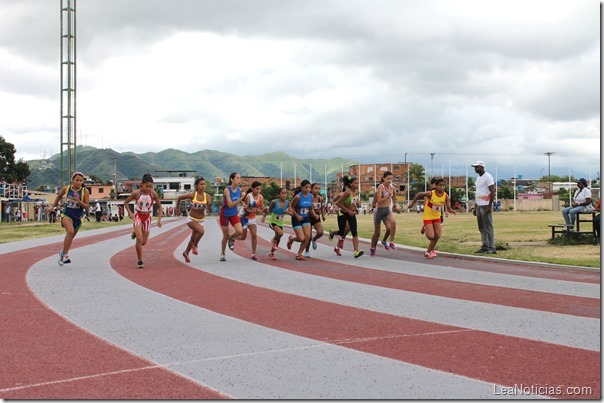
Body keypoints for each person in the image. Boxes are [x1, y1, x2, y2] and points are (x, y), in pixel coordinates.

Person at [48, 171, 90, 266]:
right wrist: (53, 206)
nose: (78, 182)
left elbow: (87, 207)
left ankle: (63, 253)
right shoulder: (66, 189)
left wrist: (78, 201)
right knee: (70, 232)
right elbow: (59, 196)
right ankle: (66, 255)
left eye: (80, 180)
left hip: (78, 218)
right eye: (76, 180)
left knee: (70, 237)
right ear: (72, 180)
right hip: (67, 215)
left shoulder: (84, 191)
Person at [408, 178, 456, 258]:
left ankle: (427, 252)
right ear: (436, 186)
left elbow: (448, 208)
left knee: (438, 235)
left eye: (443, 185)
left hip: (437, 217)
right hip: (428, 216)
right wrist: (412, 203)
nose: (442, 187)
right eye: (440, 185)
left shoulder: (445, 196)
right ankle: (427, 228)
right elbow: (419, 194)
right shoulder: (431, 193)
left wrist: (452, 211)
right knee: (431, 236)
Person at [123, 174, 163, 269]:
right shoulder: (136, 193)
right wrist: (130, 213)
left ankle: (136, 232)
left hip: (147, 218)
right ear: (142, 184)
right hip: (138, 216)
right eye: (147, 186)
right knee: (139, 239)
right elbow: (126, 202)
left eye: (150, 187)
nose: (148, 188)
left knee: (144, 242)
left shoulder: (153, 194)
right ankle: (140, 260)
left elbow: (160, 206)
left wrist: (159, 220)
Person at [176, 177, 212, 263]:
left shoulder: (207, 196)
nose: (203, 186)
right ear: (197, 186)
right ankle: (195, 246)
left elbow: (210, 211)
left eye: (204, 184)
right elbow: (179, 197)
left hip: (201, 220)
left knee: (192, 239)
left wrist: (209, 205)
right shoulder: (193, 195)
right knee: (201, 232)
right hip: (191, 219)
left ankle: (186, 253)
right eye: (201, 184)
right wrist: (177, 209)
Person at [332, 176, 364, 258]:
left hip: (351, 215)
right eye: (355, 183)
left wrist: (356, 208)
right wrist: (348, 211)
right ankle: (332, 233)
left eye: (358, 183)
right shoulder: (347, 192)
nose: (357, 185)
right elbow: (339, 203)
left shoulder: (356, 192)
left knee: (354, 232)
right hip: (342, 214)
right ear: (350, 184)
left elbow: (353, 203)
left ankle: (356, 251)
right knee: (341, 232)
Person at [286, 180, 318, 260]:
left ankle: (299, 254)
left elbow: (310, 208)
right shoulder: (298, 197)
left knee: (308, 236)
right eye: (306, 187)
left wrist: (314, 215)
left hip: (305, 217)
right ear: (302, 188)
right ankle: (292, 238)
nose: (308, 189)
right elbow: (291, 207)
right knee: (301, 238)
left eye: (309, 187)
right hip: (296, 218)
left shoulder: (310, 196)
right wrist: (297, 216)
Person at [369, 171, 398, 256]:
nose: (389, 180)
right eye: (388, 178)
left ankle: (390, 241)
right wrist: (387, 196)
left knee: (392, 225)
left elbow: (394, 195)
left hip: (386, 210)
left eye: (391, 179)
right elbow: (378, 201)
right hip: (379, 211)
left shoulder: (392, 187)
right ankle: (372, 247)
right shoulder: (380, 188)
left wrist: (394, 205)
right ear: (384, 178)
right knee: (377, 233)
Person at [471, 160, 496, 254]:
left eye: (477, 167)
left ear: (481, 167)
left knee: (488, 226)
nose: (475, 169)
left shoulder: (488, 177)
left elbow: (492, 191)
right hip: (479, 205)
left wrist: (489, 205)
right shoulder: (478, 179)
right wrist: (475, 206)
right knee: (481, 227)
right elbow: (478, 193)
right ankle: (485, 245)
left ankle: (492, 247)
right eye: (474, 167)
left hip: (486, 205)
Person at [219, 172, 244, 262]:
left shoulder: (239, 189)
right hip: (225, 214)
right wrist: (241, 199)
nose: (239, 180)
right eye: (237, 178)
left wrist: (243, 203)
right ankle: (223, 253)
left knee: (240, 231)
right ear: (232, 179)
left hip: (234, 214)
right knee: (225, 236)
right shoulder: (227, 190)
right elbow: (229, 204)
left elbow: (238, 201)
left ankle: (231, 238)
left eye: (240, 178)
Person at [263, 187, 291, 260]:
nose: (284, 195)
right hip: (273, 221)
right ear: (279, 194)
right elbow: (269, 210)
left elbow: (291, 213)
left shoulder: (288, 203)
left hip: (280, 222)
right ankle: (273, 240)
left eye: (285, 193)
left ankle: (271, 253)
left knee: (278, 239)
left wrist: (288, 212)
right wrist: (264, 216)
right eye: (282, 193)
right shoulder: (274, 202)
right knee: (280, 233)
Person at [239, 181, 264, 261]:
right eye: (257, 189)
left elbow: (261, 208)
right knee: (243, 237)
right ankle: (231, 238)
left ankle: (253, 254)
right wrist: (254, 211)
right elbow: (246, 209)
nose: (258, 191)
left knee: (254, 235)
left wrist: (262, 211)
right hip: (244, 217)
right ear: (252, 189)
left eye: (260, 189)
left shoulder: (260, 197)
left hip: (252, 218)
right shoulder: (249, 197)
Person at [304, 183, 326, 258]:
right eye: (315, 188)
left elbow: (322, 208)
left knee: (320, 232)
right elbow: (310, 209)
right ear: (311, 189)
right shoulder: (308, 198)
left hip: (317, 218)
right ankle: (307, 251)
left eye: (318, 189)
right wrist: (314, 214)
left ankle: (315, 239)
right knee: (308, 237)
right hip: (308, 217)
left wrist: (323, 215)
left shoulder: (320, 198)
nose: (317, 190)